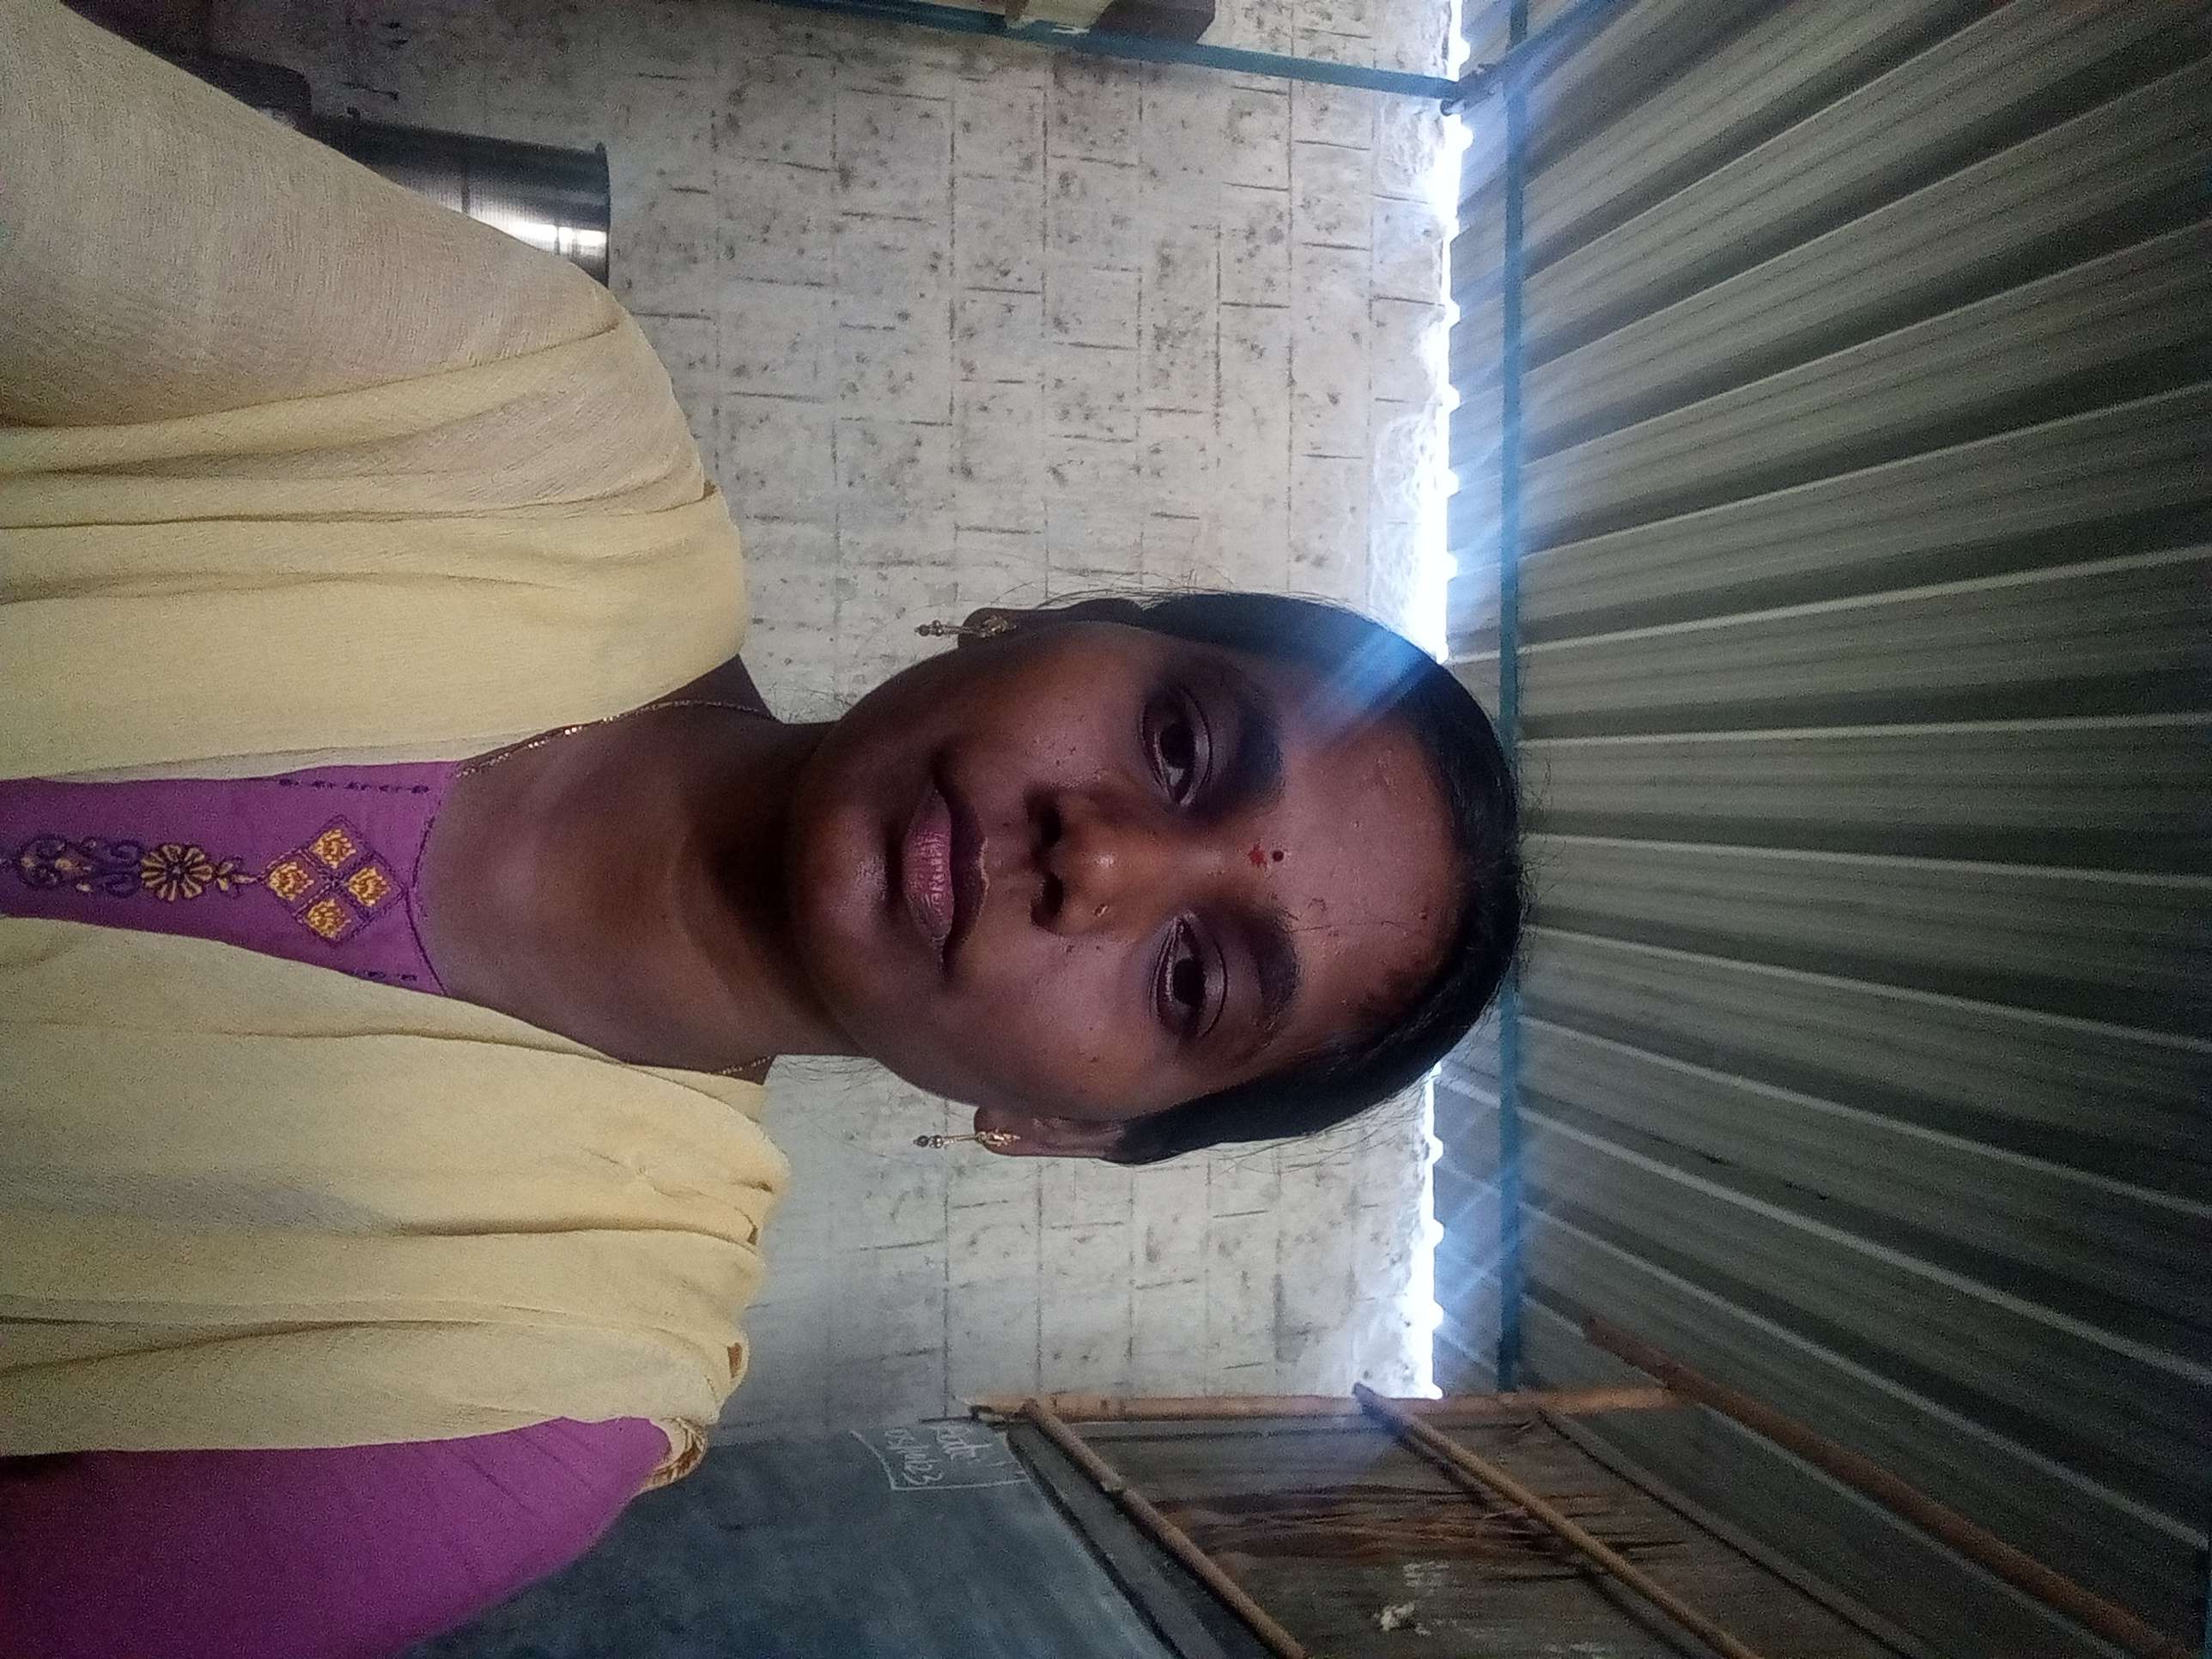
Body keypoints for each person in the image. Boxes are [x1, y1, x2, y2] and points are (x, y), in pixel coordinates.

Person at [0, 3, 1522, 1654]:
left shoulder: (523, 1396)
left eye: (1190, 982)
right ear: (1048, 618)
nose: (1098, 860)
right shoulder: (518, 420)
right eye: (1180, 744)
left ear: (1063, 1132)